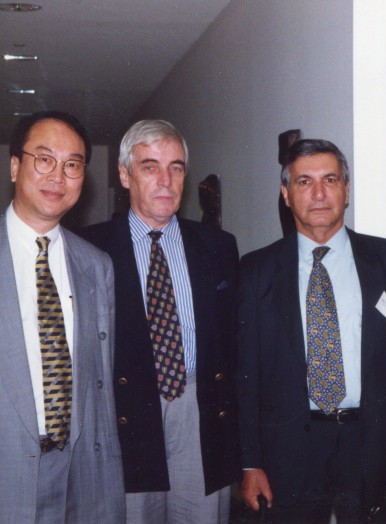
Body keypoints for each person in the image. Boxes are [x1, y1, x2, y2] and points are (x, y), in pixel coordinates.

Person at [237, 139, 386, 522]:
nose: (319, 194)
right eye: (304, 182)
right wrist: (250, 462)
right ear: (286, 194)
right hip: (287, 450)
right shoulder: (256, 271)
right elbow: (245, 374)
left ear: (347, 190)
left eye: (330, 179)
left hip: (371, 446)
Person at [81, 120, 240, 523]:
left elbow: (233, 344)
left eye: (176, 168)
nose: (165, 181)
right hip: (126, 416)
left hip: (199, 411)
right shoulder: (89, 247)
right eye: (150, 167)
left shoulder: (219, 246)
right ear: (125, 175)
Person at [0, 111, 125, 521]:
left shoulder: (96, 265)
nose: (58, 175)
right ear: (15, 166)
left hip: (82, 474)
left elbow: (101, 383)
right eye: (44, 159)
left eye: (72, 164)